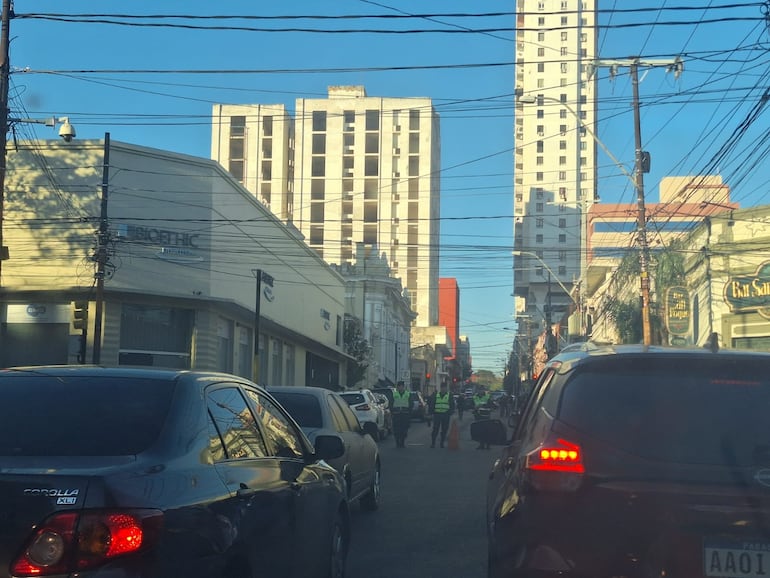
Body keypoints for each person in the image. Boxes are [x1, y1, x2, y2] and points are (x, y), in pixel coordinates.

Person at [428, 382, 455, 448]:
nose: (443, 389)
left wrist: (450, 413)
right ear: (441, 388)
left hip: (446, 415)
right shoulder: (436, 395)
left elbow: (452, 405)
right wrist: (430, 413)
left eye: (444, 388)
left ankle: (442, 443)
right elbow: (432, 404)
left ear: (446, 388)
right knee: (435, 429)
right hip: (437, 414)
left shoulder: (449, 395)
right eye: (442, 388)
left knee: (444, 429)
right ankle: (433, 443)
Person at [391, 380, 412, 448]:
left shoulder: (407, 394)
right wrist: (392, 412)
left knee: (404, 429)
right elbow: (391, 403)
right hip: (396, 414)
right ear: (397, 387)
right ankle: (397, 442)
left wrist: (409, 412)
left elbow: (411, 403)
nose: (400, 388)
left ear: (403, 387)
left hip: (405, 414)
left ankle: (402, 442)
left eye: (401, 386)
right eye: (399, 386)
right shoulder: (394, 394)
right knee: (396, 429)